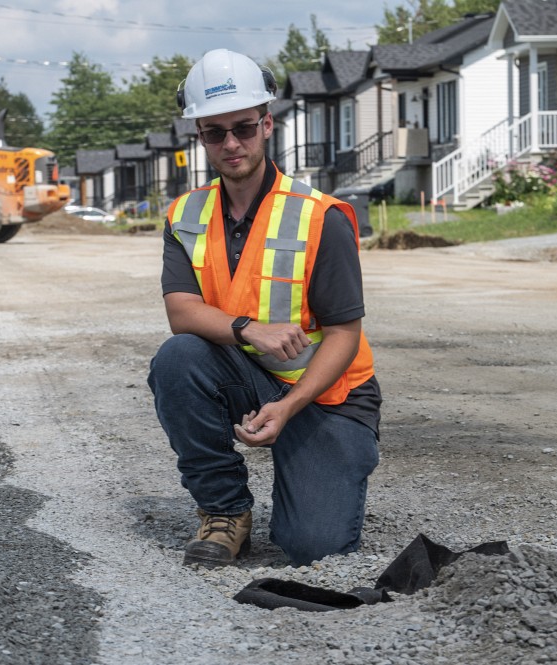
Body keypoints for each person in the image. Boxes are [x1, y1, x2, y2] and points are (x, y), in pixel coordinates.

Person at [148, 49, 382, 568]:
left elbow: (343, 335)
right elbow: (182, 312)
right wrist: (251, 329)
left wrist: (289, 405)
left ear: (267, 124)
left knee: (312, 548)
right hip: (245, 375)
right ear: (200, 135)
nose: (231, 143)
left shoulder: (321, 217)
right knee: (178, 358)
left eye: (244, 127)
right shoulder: (186, 214)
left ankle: (321, 464)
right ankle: (226, 512)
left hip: (326, 395)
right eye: (215, 132)